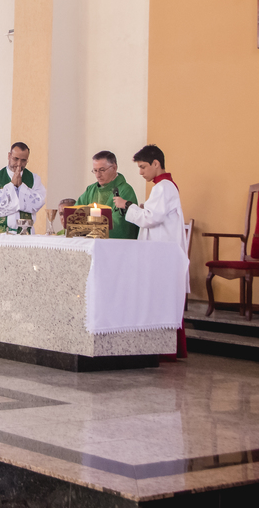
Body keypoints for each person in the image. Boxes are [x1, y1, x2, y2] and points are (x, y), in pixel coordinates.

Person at [114, 144, 188, 359]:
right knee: (162, 300)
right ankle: (166, 348)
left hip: (163, 254)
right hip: (162, 252)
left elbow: (150, 219)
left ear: (156, 164)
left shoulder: (163, 186)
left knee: (161, 301)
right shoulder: (164, 186)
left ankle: (165, 351)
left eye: (143, 167)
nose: (140, 172)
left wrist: (127, 205)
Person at [76, 150, 141, 239]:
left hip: (115, 244)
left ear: (114, 168)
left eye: (102, 170)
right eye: (95, 171)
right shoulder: (90, 190)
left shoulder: (125, 190)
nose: (98, 175)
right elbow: (76, 213)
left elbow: (121, 223)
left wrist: (94, 229)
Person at [0, 142, 48, 233]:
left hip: (26, 234)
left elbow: (38, 202)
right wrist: (12, 186)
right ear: (9, 156)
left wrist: (21, 187)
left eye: (23, 160)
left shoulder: (34, 179)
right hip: (0, 234)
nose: (19, 164)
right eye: (16, 159)